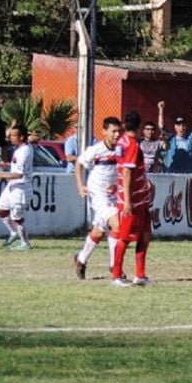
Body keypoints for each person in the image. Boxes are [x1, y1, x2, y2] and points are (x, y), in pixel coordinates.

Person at [73, 117, 123, 279]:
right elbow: (79, 163)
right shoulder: (96, 150)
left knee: (99, 230)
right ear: (104, 132)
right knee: (117, 224)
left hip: (114, 194)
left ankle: (81, 259)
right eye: (113, 131)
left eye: (118, 131)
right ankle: (114, 267)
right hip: (98, 194)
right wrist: (81, 186)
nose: (117, 134)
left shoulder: (121, 149)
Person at [111, 111, 154, 287]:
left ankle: (140, 275)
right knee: (125, 237)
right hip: (133, 201)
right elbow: (127, 172)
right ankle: (116, 275)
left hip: (141, 200)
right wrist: (127, 200)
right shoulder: (131, 145)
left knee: (145, 236)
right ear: (139, 127)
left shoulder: (121, 142)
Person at [0, 123, 34, 250]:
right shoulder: (22, 148)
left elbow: (19, 175)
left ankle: (25, 243)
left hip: (21, 188)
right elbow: (19, 167)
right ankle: (13, 232)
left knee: (17, 217)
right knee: (0, 209)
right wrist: (8, 164)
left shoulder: (23, 151)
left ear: (21, 137)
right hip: (12, 186)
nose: (11, 138)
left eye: (13, 136)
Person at [161, 101, 192, 173]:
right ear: (175, 127)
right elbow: (161, 126)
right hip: (173, 172)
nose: (181, 128)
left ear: (186, 127)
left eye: (183, 125)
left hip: (189, 173)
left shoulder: (191, 138)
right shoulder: (171, 138)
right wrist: (161, 109)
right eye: (178, 125)